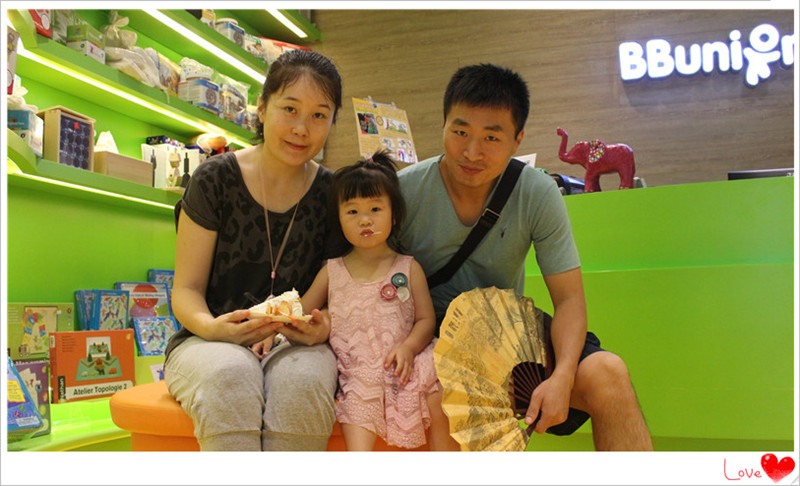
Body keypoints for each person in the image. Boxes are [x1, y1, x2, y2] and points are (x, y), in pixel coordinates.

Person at [397, 64, 654, 451]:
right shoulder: (403, 191)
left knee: (608, 373)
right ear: (444, 124)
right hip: (426, 334)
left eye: (491, 137)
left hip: (507, 340)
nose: (471, 151)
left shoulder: (536, 192)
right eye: (460, 132)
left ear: (517, 140)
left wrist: (563, 376)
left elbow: (569, 300)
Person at [164, 49, 343, 451]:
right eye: (289, 109)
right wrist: (213, 327)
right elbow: (186, 290)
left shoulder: (335, 194)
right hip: (208, 341)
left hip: (297, 344)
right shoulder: (214, 180)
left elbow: (342, 293)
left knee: (301, 382)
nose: (301, 128)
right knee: (230, 374)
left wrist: (324, 326)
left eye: (319, 115)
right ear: (261, 108)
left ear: (333, 122)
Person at [252, 150, 460, 451]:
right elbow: (301, 309)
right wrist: (271, 331)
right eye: (352, 212)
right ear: (339, 219)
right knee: (358, 420)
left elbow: (426, 320)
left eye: (375, 209)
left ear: (394, 215)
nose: (365, 220)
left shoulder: (408, 267)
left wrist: (409, 348)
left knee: (442, 396)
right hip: (358, 369)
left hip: (408, 361)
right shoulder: (332, 270)